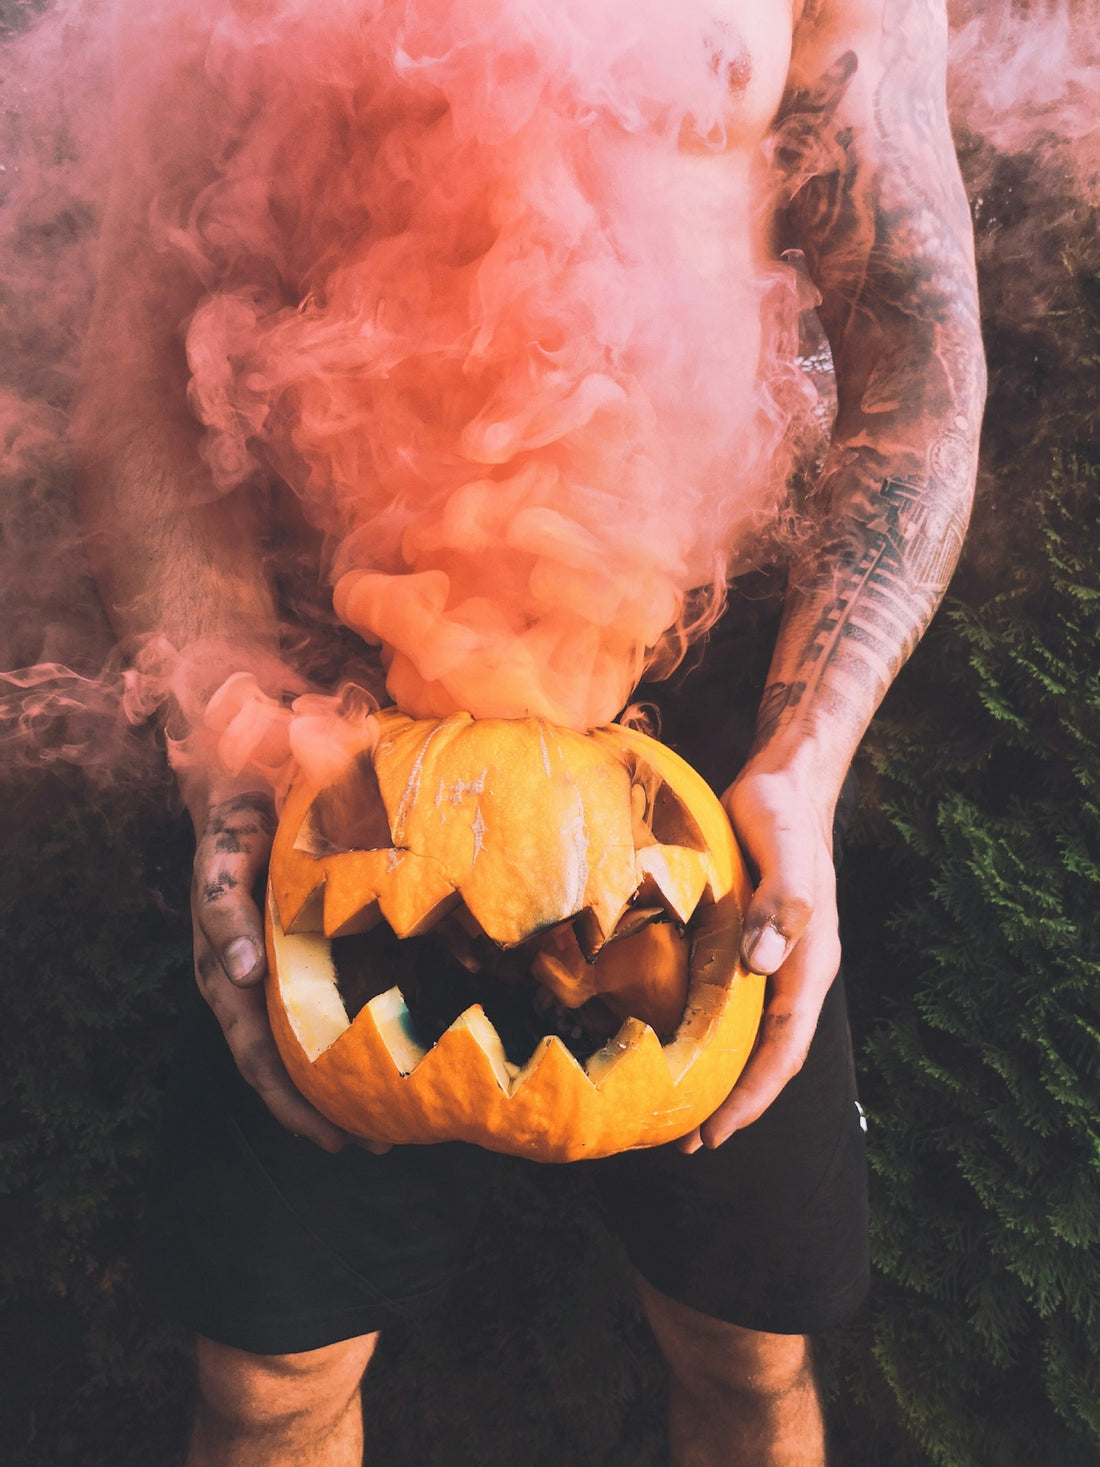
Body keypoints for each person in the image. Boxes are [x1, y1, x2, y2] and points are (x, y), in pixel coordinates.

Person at [72, 0, 985, 1461]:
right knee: (268, 1388)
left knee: (751, 1358)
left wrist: (802, 770)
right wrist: (228, 744)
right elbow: (137, 371)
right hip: (334, 729)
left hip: (684, 736)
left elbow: (919, 355)